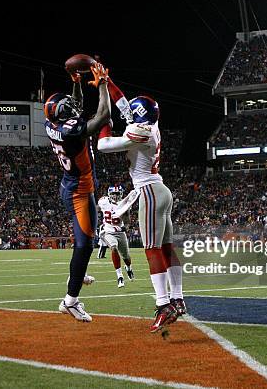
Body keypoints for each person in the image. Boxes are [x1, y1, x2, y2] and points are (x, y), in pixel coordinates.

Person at [97, 77, 184, 333]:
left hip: (148, 191)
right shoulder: (150, 125)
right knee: (166, 248)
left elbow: (103, 145)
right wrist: (107, 80)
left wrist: (104, 121)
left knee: (152, 250)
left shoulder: (141, 133)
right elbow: (125, 105)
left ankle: (163, 304)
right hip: (161, 189)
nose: (128, 114)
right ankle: (177, 298)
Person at [44, 62, 111, 322]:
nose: (75, 108)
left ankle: (78, 272)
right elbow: (103, 115)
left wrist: (77, 81)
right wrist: (103, 82)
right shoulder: (71, 132)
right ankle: (70, 301)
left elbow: (77, 107)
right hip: (78, 193)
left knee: (85, 244)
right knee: (85, 244)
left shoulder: (55, 123)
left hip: (75, 187)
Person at [97, 185, 134, 287]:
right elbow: (96, 209)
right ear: (109, 194)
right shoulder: (103, 201)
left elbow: (127, 222)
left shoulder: (124, 205)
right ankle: (120, 276)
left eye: (117, 194)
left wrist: (124, 228)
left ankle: (129, 268)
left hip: (120, 232)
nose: (115, 196)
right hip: (108, 231)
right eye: (113, 193)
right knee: (113, 248)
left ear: (121, 194)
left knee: (126, 257)